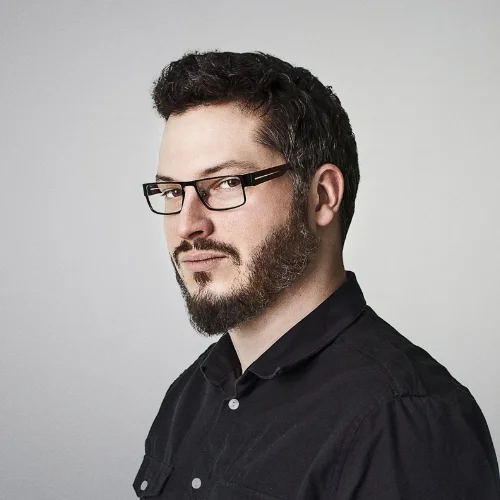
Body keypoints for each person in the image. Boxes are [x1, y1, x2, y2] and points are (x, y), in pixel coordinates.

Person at [133, 51, 500, 499]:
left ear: (322, 196)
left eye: (227, 183)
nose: (187, 224)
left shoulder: (401, 421)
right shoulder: (190, 394)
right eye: (172, 191)